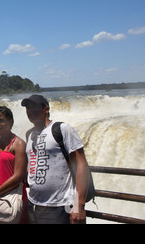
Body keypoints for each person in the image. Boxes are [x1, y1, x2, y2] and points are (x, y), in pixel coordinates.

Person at [21, 94, 90, 224]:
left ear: (46, 109)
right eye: (27, 108)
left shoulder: (62, 129)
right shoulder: (29, 134)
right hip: (34, 205)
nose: (30, 111)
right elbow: (31, 163)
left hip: (59, 206)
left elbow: (81, 164)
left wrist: (79, 204)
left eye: (34, 107)